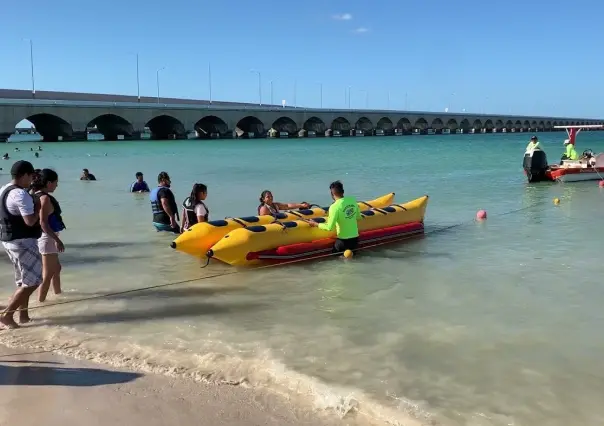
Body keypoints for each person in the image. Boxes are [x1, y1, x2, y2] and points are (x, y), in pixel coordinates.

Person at [0, 160, 42, 328]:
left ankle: (23, 315)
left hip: (8, 240)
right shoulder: (20, 194)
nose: (31, 180)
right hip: (22, 242)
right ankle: (7, 316)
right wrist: (39, 207)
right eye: (31, 176)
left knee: (23, 280)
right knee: (33, 282)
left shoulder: (3, 189)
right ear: (24, 175)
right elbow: (30, 221)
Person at [31, 169, 66, 302]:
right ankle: (41, 303)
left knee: (56, 268)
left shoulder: (35, 194)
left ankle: (58, 295)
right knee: (48, 274)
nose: (57, 185)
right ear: (49, 183)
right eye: (56, 182)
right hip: (47, 238)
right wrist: (57, 240)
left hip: (46, 237)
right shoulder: (44, 198)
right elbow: (43, 223)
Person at [308, 180, 362, 253]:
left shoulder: (334, 207)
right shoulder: (352, 201)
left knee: (334, 258)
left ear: (332, 194)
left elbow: (329, 227)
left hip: (343, 242)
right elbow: (358, 217)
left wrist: (316, 224)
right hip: (355, 240)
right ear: (343, 191)